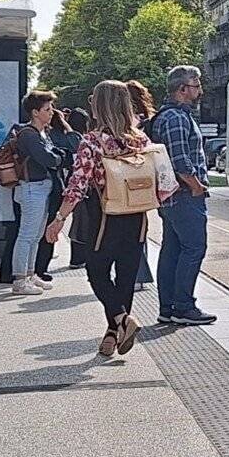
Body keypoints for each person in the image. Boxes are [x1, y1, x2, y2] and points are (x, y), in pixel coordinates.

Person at [45, 80, 177, 357]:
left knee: (97, 272)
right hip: (138, 215)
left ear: (99, 106)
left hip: (105, 216)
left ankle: (121, 320)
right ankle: (114, 332)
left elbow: (78, 185)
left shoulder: (92, 141)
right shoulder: (140, 140)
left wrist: (58, 219)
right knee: (126, 275)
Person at [152, 66, 214, 326]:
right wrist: (196, 185)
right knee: (194, 248)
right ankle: (183, 306)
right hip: (185, 195)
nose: (200, 90)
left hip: (171, 197)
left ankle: (168, 306)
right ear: (182, 89)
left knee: (172, 250)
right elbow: (180, 160)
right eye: (196, 85)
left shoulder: (168, 116)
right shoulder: (176, 118)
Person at [10, 90, 63, 296]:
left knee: (36, 235)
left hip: (41, 186)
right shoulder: (29, 134)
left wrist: (55, 156)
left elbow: (52, 155)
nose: (51, 113)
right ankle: (20, 279)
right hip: (32, 187)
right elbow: (48, 158)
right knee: (27, 235)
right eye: (47, 109)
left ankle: (30, 274)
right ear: (34, 112)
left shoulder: (41, 133)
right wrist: (58, 158)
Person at [34, 108, 82, 283]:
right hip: (55, 184)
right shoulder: (61, 135)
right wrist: (66, 126)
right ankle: (41, 268)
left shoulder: (43, 135)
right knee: (49, 226)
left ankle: (34, 268)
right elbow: (77, 144)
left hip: (41, 183)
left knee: (34, 229)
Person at [127, 81, 157, 292]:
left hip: (129, 180)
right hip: (145, 181)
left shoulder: (129, 124)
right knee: (140, 230)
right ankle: (138, 274)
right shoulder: (150, 121)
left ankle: (135, 274)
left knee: (132, 231)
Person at [65, 108, 92, 269]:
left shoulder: (61, 137)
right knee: (83, 222)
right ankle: (78, 258)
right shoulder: (79, 140)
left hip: (71, 183)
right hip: (82, 187)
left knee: (79, 221)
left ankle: (77, 257)